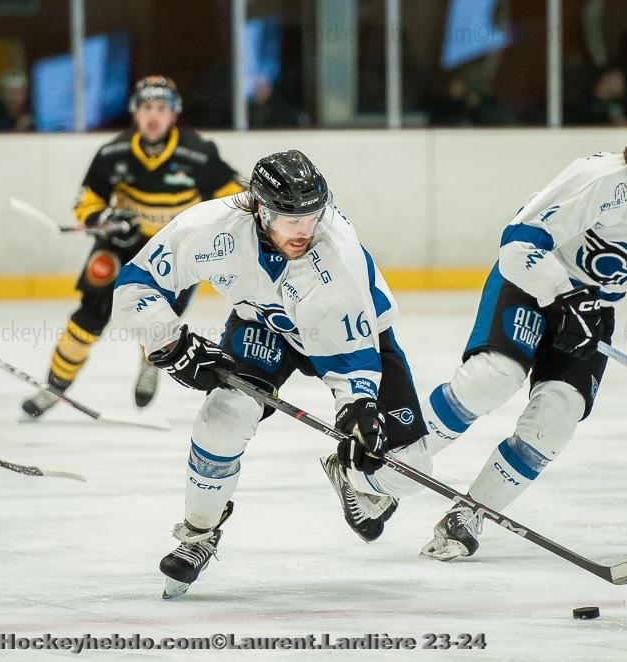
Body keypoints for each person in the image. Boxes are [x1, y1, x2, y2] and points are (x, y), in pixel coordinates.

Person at [417, 103, 627, 560]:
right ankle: (388, 462)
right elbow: (519, 243)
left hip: (591, 313)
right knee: (493, 378)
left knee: (557, 418)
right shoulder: (601, 180)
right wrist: (560, 294)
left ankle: (471, 514)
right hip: (530, 286)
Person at [112, 150, 434, 598]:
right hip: (264, 326)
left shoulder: (337, 256)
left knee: (409, 469)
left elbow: (353, 356)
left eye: (311, 216)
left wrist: (358, 406)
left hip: (352, 337)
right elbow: (135, 285)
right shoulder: (210, 228)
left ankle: (348, 475)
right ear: (261, 210)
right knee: (224, 417)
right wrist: (170, 343)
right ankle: (199, 532)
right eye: (290, 218)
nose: (304, 230)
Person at [21, 75, 243, 417]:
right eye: (146, 107)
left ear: (174, 114)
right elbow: (87, 201)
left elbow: (235, 198)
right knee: (88, 317)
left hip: (174, 252)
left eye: (162, 108)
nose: (154, 115)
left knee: (158, 321)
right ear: (135, 112)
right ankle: (55, 385)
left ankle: (150, 363)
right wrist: (106, 216)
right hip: (120, 246)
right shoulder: (114, 153)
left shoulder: (200, 154)